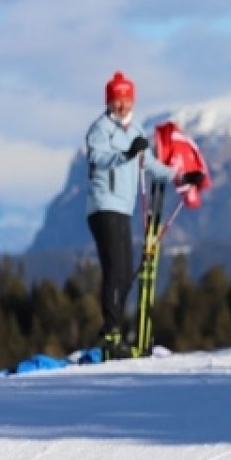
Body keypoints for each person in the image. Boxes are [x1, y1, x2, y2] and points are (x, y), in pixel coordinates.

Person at [85, 71, 204, 360]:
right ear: (109, 102)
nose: (122, 105)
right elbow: (98, 159)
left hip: (122, 208)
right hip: (104, 205)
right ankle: (110, 332)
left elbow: (150, 165)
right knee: (116, 269)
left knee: (125, 272)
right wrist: (126, 154)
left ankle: (116, 330)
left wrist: (182, 177)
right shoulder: (101, 129)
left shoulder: (135, 129)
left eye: (126, 99)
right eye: (117, 100)